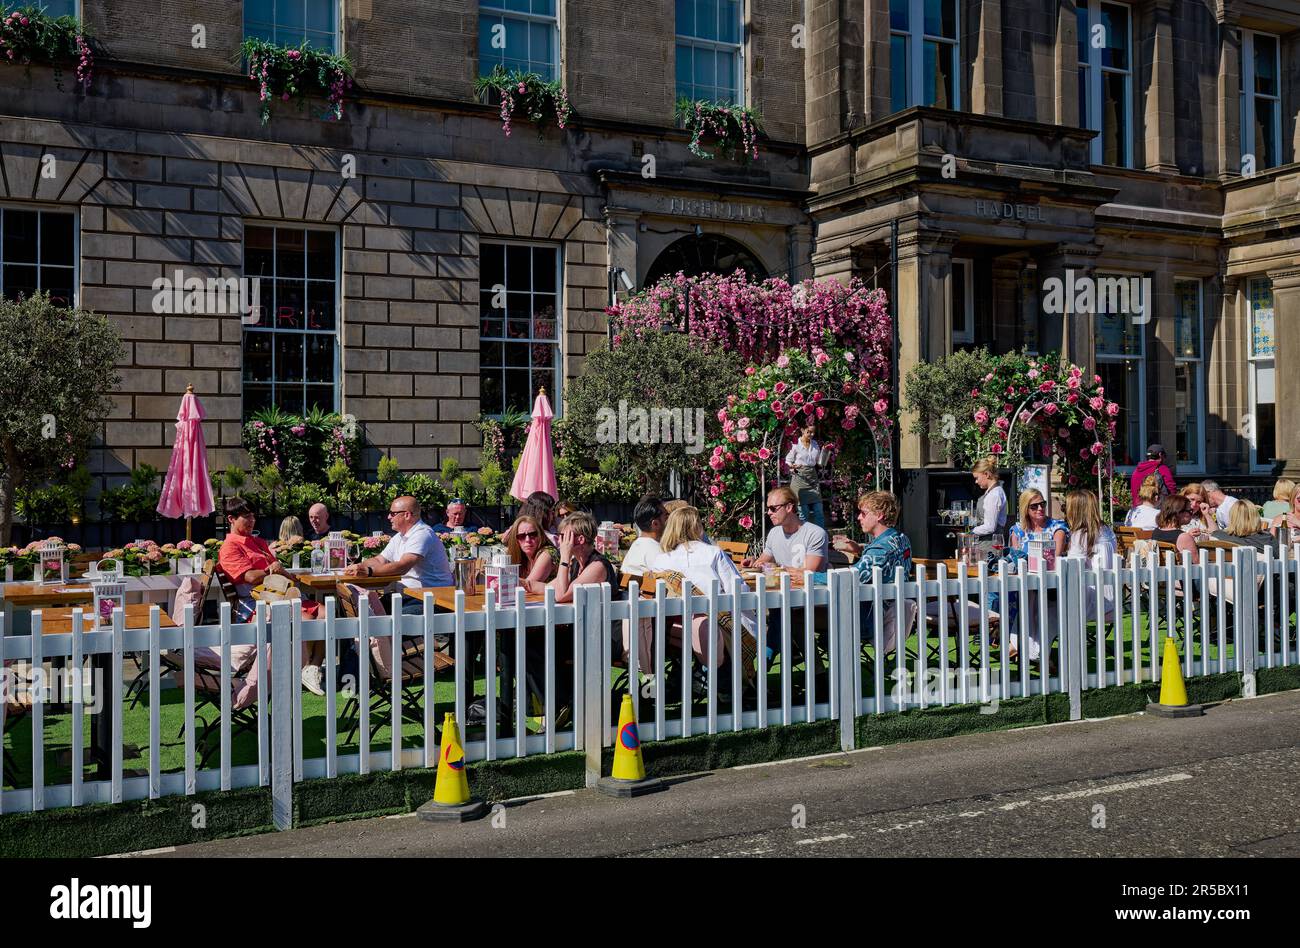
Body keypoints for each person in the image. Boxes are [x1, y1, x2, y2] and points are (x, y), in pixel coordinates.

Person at [217, 497, 324, 694]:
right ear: (231, 519)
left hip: (280, 597)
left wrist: (278, 570)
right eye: (246, 517)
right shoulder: (230, 546)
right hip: (257, 604)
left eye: (253, 516)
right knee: (308, 619)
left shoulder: (257, 541)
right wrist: (271, 569)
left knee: (326, 614)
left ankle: (312, 667)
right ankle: (301, 668)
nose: (252, 521)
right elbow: (249, 577)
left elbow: (281, 572)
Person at [637, 506, 754, 672]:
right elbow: (737, 590)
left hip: (673, 629)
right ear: (696, 527)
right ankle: (728, 687)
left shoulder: (661, 561)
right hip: (714, 624)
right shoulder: (713, 553)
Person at [831, 492, 913, 654]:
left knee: (804, 618)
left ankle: (821, 674)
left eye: (863, 513)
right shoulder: (901, 538)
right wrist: (858, 549)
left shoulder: (880, 548)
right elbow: (882, 560)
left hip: (869, 619)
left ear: (879, 515)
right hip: (890, 611)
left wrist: (804, 576)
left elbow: (850, 578)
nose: (859, 518)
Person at [345, 495, 452, 614]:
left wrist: (368, 571)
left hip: (431, 601)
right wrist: (359, 566)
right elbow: (380, 560)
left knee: (382, 618)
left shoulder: (422, 534)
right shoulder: (400, 536)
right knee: (365, 610)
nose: (388, 517)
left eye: (392, 513)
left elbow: (403, 566)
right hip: (409, 597)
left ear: (407, 515)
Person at [743, 486, 828, 573]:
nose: (769, 512)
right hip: (780, 585)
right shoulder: (774, 533)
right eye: (767, 509)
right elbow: (763, 562)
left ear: (788, 507)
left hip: (810, 586)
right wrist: (754, 562)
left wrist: (777, 568)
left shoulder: (815, 534)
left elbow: (808, 574)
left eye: (773, 508)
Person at [1009, 488, 1068, 562]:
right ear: (1025, 509)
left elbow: (1054, 561)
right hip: (1021, 573)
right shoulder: (1018, 530)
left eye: (1042, 504)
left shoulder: (1057, 528)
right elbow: (1016, 561)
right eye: (1034, 506)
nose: (1040, 508)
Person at [784, 424, 826, 527]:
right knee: (804, 513)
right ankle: (803, 538)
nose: (811, 434)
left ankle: (821, 538)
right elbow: (788, 461)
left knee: (819, 510)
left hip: (812, 479)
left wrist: (824, 452)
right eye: (809, 432)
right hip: (799, 479)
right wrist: (793, 467)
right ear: (802, 430)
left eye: (813, 432)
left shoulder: (815, 444)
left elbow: (819, 463)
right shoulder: (795, 444)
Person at [1064, 489, 1117, 569]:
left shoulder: (1079, 535)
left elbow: (1073, 565)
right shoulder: (1107, 530)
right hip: (1110, 579)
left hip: (1086, 580)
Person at [507, 514, 561, 588]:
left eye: (532, 534)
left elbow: (528, 585)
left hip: (550, 599)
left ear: (540, 535)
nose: (528, 540)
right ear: (516, 540)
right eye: (521, 536)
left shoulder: (547, 553)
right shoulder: (521, 556)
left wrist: (504, 580)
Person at [621, 495, 666, 578]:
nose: (669, 521)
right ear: (655, 524)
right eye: (666, 517)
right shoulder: (657, 552)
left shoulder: (636, 546)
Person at [1151, 495, 1201, 565]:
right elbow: (1197, 566)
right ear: (1178, 512)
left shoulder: (1156, 532)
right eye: (1190, 511)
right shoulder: (1184, 537)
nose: (1191, 514)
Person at [970, 457, 1007, 537]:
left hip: (990, 545)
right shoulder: (994, 492)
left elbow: (990, 527)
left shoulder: (994, 495)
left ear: (986, 474)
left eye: (977, 478)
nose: (976, 482)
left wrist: (972, 531)